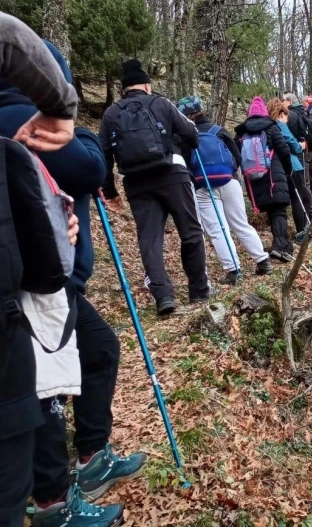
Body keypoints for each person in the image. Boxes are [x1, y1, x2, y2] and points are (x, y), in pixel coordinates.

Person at [1, 38, 145, 527]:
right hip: (36, 286)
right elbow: (90, 166)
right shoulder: (22, 117)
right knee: (41, 393)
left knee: (95, 353)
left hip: (46, 278)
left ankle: (86, 462)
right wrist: (77, 129)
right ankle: (54, 502)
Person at [99, 60, 209, 316]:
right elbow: (192, 134)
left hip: (136, 183)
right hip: (172, 173)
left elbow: (103, 154)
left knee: (149, 239)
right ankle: (199, 290)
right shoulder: (161, 103)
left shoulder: (111, 114)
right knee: (190, 231)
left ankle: (163, 296)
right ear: (147, 85)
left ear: (123, 89)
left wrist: (110, 191)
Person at [176, 96, 273, 282]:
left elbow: (185, 166)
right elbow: (236, 157)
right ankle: (263, 261)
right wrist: (230, 174)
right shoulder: (218, 130)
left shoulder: (185, 137)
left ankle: (233, 271)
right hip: (230, 181)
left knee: (217, 229)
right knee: (241, 224)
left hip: (203, 187)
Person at [235, 97, 294, 262]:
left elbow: (236, 154)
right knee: (279, 211)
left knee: (272, 211)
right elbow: (284, 150)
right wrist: (287, 171)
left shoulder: (242, 132)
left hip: (255, 179)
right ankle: (281, 247)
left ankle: (279, 244)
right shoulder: (271, 127)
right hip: (274, 175)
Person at [268, 97, 312, 241]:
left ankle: (301, 231)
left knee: (298, 197)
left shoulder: (268, 126)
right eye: (286, 116)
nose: (287, 119)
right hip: (291, 165)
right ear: (281, 114)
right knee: (302, 198)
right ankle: (302, 232)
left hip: (279, 167)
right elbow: (291, 143)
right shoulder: (279, 125)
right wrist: (300, 146)